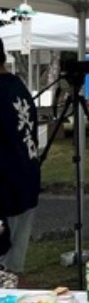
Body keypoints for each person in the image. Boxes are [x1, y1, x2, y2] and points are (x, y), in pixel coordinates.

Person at [0, 37, 40, 275]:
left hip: (7, 188)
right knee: (11, 268)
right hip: (25, 179)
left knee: (6, 269)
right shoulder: (17, 86)